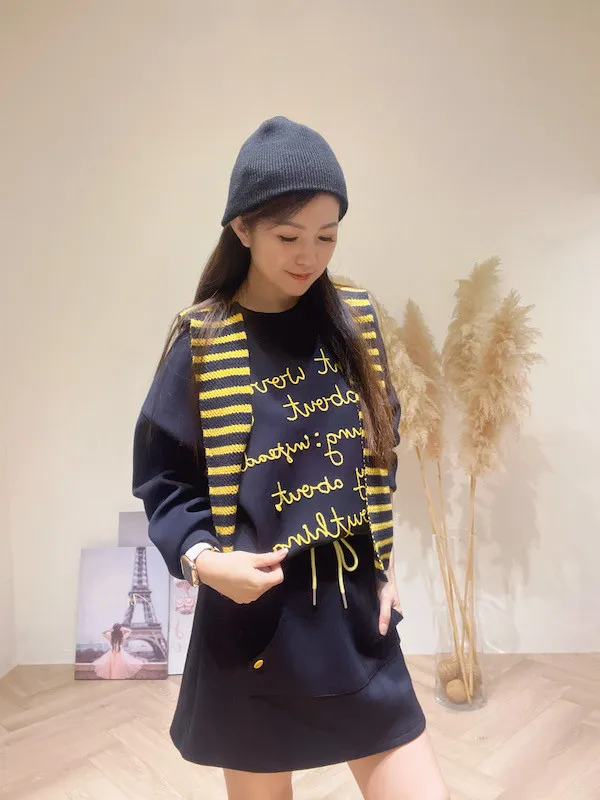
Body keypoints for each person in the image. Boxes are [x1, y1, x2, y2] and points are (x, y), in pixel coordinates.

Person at [132, 117, 449, 800]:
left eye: (327, 236)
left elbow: (379, 449)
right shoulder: (205, 338)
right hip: (252, 619)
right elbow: (164, 479)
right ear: (242, 228)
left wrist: (385, 564)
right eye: (288, 236)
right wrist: (204, 562)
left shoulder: (355, 320)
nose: (310, 256)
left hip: (353, 612)